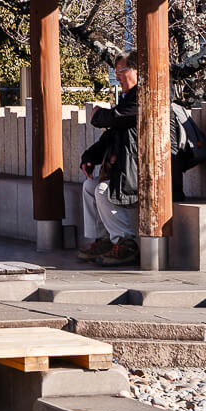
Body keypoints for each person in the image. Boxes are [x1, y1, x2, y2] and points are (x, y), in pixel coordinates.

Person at [78, 51, 140, 267]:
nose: (118, 77)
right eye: (116, 72)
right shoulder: (127, 100)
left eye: (122, 71)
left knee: (102, 190)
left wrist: (97, 114)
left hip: (139, 174)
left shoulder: (143, 97)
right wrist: (89, 157)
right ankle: (103, 239)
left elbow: (114, 119)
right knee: (89, 186)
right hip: (124, 170)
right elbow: (111, 134)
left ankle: (126, 241)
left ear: (137, 70)